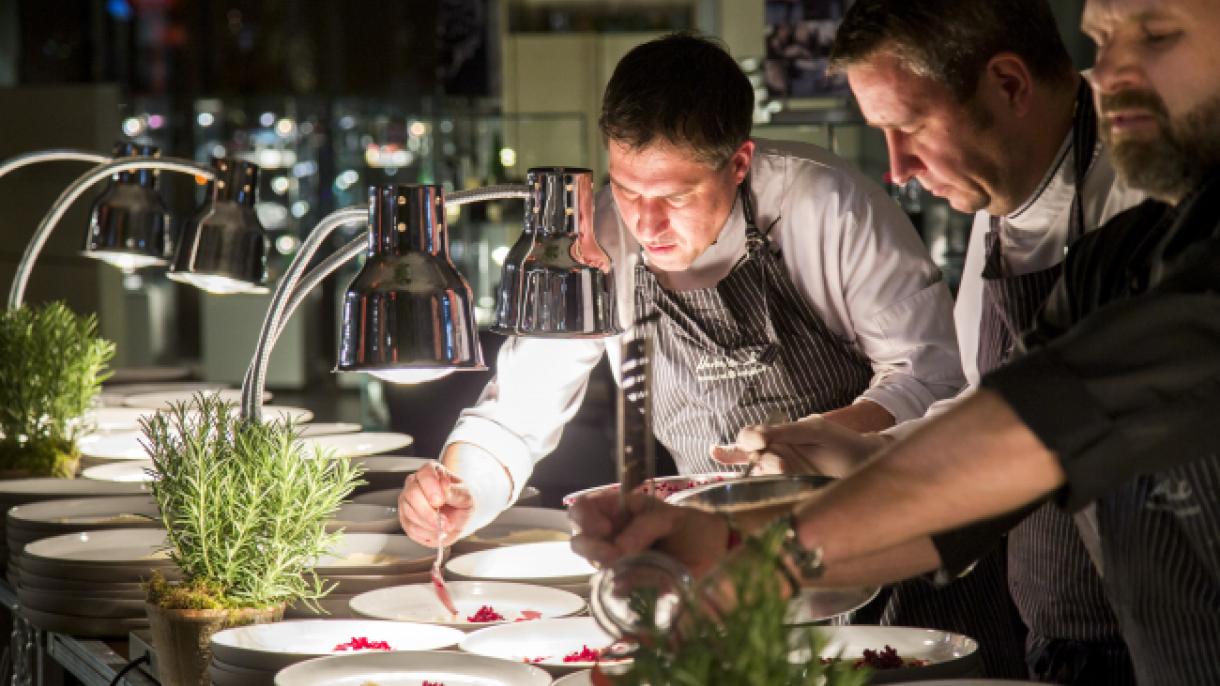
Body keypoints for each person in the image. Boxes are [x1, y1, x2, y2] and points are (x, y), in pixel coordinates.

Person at [571, 0, 1220, 682]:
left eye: (1156, 33)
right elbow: (981, 472)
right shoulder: (1107, 256)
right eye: (1100, 39)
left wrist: (752, 551)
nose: (1106, 71)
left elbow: (1045, 420)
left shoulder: (1193, 276)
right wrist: (728, 538)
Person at [714, 1, 1146, 682]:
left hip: (1160, 641)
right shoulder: (998, 199)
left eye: (909, 126)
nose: (897, 166)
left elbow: (1052, 433)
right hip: (1062, 633)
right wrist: (867, 451)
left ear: (1009, 86)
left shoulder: (1144, 204)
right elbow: (993, 397)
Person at [398, 34, 961, 545]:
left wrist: (819, 441)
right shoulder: (601, 239)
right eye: (626, 189)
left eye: (674, 198)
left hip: (880, 536)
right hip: (720, 555)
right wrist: (463, 489)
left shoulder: (828, 206)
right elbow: (522, 409)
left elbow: (932, 378)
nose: (646, 225)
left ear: (739, 162)